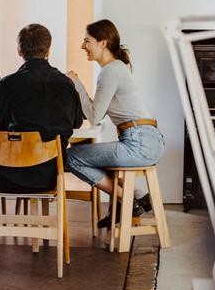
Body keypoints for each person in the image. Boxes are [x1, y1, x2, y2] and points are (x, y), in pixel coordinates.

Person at [0, 23, 84, 216]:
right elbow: (77, 123)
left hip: (8, 173)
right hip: (50, 175)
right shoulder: (67, 84)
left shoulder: (8, 84)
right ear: (48, 50)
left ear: (19, 50)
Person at [66, 19, 163, 228]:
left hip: (138, 143)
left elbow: (93, 116)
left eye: (87, 41)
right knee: (81, 149)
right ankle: (138, 195)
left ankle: (127, 200)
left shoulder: (111, 71)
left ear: (103, 43)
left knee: (70, 157)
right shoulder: (118, 68)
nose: (83, 46)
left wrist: (77, 84)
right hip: (146, 139)